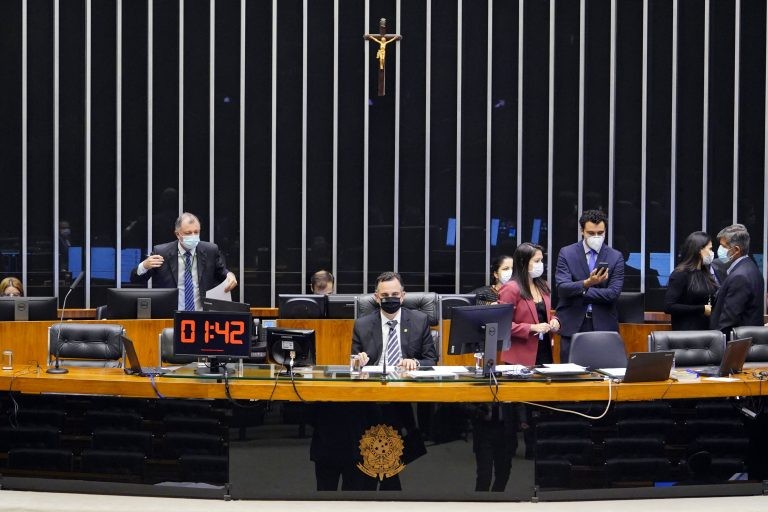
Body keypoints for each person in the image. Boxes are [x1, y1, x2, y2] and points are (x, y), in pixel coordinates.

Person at [554, 209, 624, 362]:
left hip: (604, 325)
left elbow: (613, 294)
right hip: (572, 324)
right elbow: (563, 288)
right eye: (591, 233)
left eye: (600, 233)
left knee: (604, 372)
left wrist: (582, 291)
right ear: (582, 231)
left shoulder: (615, 256)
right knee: (570, 372)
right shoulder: (567, 253)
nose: (596, 237)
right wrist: (587, 283)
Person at [130, 212, 237, 311]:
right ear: (178, 234)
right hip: (171, 315)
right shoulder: (162, 252)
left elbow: (222, 272)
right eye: (188, 233)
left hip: (202, 315)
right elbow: (135, 279)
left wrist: (230, 275)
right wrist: (144, 266)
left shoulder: (210, 250)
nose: (193, 236)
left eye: (196, 232)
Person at [352, 271, 437, 370]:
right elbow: (354, 362)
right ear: (377, 297)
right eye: (385, 295)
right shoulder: (362, 325)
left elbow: (431, 360)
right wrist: (359, 361)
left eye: (395, 294)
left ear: (402, 296)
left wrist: (415, 363)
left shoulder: (420, 321)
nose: (390, 298)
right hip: (376, 376)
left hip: (407, 375)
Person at [499, 243, 560, 366]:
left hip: (545, 350)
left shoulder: (543, 285)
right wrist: (532, 327)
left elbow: (545, 313)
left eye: (541, 260)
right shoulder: (511, 288)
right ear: (523, 262)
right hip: (520, 356)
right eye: (537, 261)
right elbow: (502, 324)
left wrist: (555, 321)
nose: (541, 264)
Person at [709, 225, 764, 337]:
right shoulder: (750, 267)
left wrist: (718, 342)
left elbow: (729, 319)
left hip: (735, 341)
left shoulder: (740, 276)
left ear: (737, 250)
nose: (720, 249)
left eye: (723, 246)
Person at [664, 231, 719, 330]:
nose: (712, 253)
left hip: (706, 330)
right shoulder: (680, 274)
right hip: (687, 332)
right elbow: (669, 306)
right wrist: (701, 308)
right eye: (710, 249)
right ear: (699, 250)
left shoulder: (705, 272)